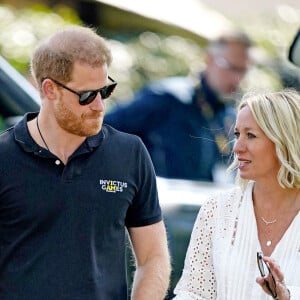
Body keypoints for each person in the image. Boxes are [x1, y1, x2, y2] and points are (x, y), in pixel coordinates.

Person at [0, 26, 171, 300]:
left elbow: (153, 257)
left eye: (105, 90)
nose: (100, 106)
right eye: (87, 96)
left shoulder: (129, 153)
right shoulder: (4, 158)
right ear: (50, 89)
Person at [173, 89, 300, 299]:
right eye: (237, 135)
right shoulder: (218, 208)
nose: (237, 148)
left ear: (284, 141)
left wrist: (288, 296)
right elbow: (194, 293)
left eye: (250, 135)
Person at [105, 30, 253, 181]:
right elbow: (102, 131)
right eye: (232, 68)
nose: (237, 78)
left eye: (243, 70)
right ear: (209, 60)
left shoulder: (230, 115)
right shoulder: (166, 98)